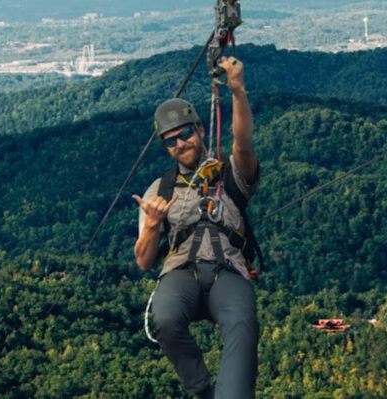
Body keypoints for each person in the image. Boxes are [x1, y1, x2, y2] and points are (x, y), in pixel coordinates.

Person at [132, 56, 259, 399]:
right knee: (166, 318)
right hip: (181, 270)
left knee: (242, 324)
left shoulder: (230, 174)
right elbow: (144, 261)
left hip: (228, 269)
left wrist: (237, 92)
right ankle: (202, 391)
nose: (180, 144)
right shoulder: (159, 191)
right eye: (171, 141)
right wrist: (153, 226)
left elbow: (243, 144)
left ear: (200, 130)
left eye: (185, 134)